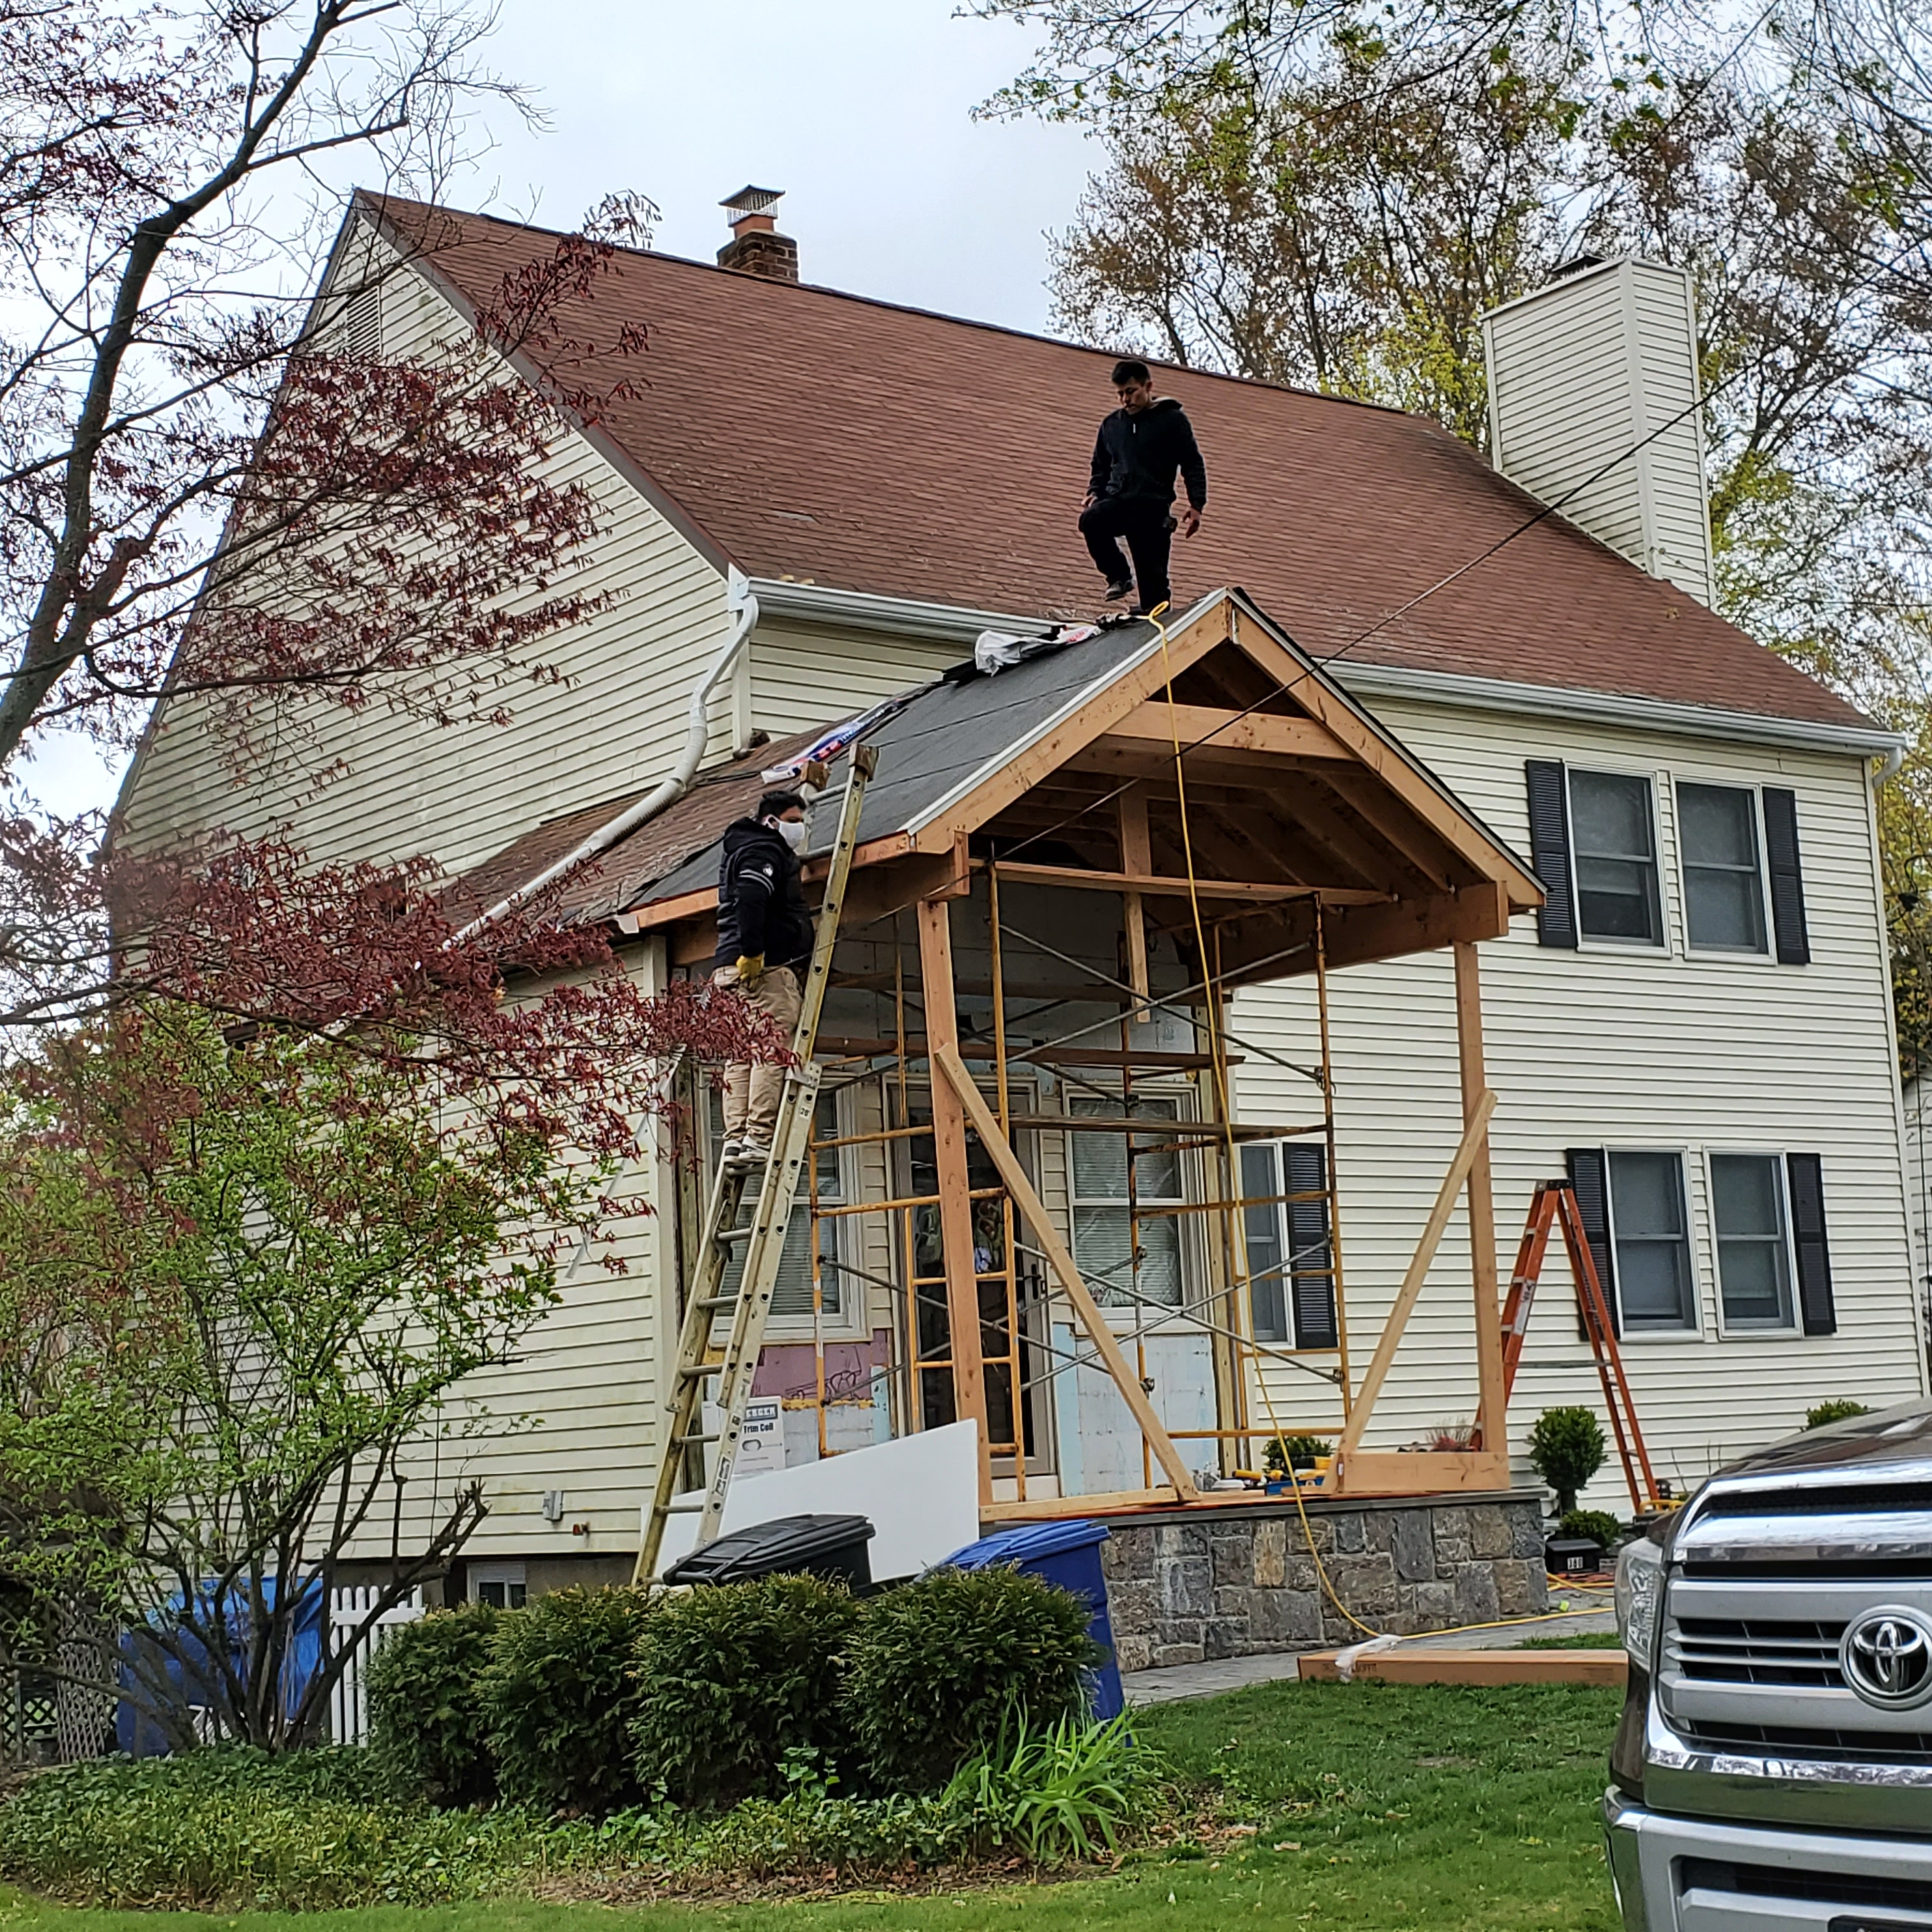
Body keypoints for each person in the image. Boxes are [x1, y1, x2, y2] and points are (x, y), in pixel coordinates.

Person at [714, 788, 815, 1161]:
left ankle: (735, 1139)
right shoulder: (764, 850)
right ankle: (758, 1138)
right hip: (762, 966)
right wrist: (754, 952)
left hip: (727, 968)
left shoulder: (740, 846)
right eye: (792, 822)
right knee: (770, 1048)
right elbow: (753, 896)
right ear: (771, 821)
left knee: (740, 1054)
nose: (798, 829)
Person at [1080, 358, 1207, 615]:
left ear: (1148, 386)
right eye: (1120, 394)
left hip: (1152, 508)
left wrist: (1196, 505)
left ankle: (1152, 617)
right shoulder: (1112, 426)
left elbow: (1192, 463)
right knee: (1091, 521)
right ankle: (1119, 576)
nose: (1125, 400)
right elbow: (1101, 465)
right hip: (1119, 501)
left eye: (1131, 392)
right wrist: (1095, 492)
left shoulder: (1172, 421)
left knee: (1155, 591)